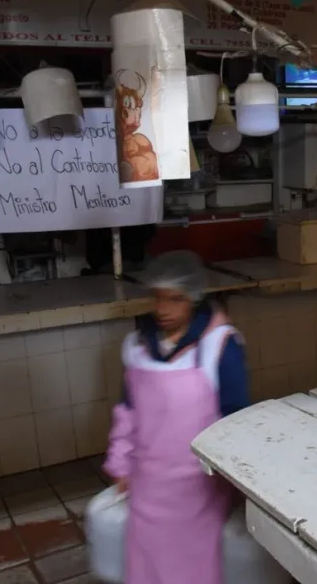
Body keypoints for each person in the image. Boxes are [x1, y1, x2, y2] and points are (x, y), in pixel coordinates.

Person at [103, 250, 249, 584]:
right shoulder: (137, 348)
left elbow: (237, 420)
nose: (163, 309)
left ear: (194, 299)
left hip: (199, 489)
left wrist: (239, 483)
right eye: (158, 298)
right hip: (148, 485)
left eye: (175, 299)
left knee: (192, 571)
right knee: (146, 569)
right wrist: (121, 463)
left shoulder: (220, 347)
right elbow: (127, 411)